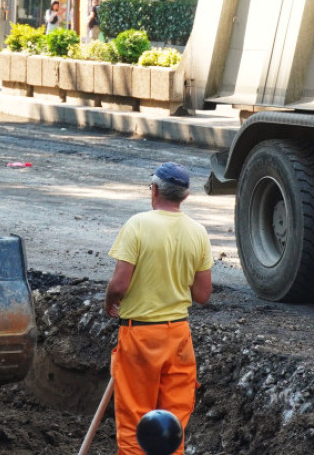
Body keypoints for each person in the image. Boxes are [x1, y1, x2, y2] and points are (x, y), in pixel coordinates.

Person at [104, 162, 213, 455]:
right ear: (185, 196)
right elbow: (202, 294)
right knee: (171, 427)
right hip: (178, 336)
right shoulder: (198, 231)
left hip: (140, 336)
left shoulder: (137, 225)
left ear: (154, 190)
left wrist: (109, 301)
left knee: (135, 425)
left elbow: (119, 285)